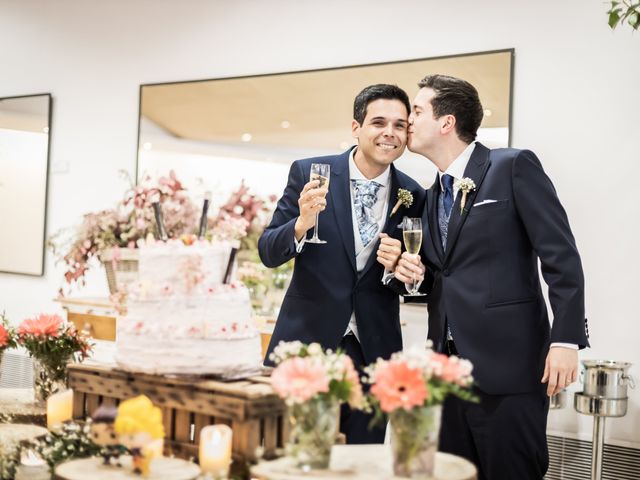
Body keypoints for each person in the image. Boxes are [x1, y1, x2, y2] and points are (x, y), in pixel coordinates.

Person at [391, 74, 590, 479]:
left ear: (446, 122)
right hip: (447, 376)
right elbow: (443, 275)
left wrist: (566, 340)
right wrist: (412, 275)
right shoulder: (431, 196)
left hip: (509, 368)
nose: (407, 120)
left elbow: (561, 258)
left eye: (416, 110)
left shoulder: (512, 166)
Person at [259, 84, 425, 444]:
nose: (389, 133)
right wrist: (301, 223)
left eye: (399, 125)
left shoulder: (414, 195)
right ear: (356, 128)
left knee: (361, 463)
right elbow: (268, 251)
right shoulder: (309, 174)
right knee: (293, 456)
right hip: (306, 346)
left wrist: (401, 271)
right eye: (378, 122)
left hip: (374, 352)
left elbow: (414, 279)